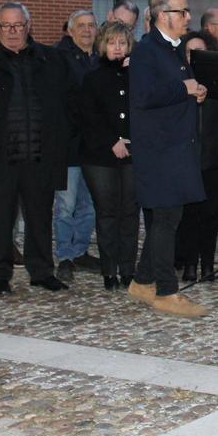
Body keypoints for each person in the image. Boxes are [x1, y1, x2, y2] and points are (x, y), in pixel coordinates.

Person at [0, 2, 73, 295]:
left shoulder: (52, 60)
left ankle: (42, 271)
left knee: (40, 218)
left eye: (18, 25)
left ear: (28, 26)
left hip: (40, 156)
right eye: (6, 26)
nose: (13, 32)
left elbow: (68, 103)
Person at [126, 0, 209, 317]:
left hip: (175, 147)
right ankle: (166, 291)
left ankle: (142, 282)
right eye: (183, 11)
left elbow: (173, 91)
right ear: (163, 15)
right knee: (164, 219)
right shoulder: (148, 50)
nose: (189, 17)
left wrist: (194, 91)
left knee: (167, 216)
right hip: (160, 151)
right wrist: (183, 88)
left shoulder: (172, 49)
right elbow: (144, 95)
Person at [78, 21, 138, 290]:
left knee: (130, 213)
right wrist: (111, 141)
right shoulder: (92, 77)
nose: (117, 48)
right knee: (107, 213)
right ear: (103, 45)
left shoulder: (137, 76)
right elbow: (88, 117)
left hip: (134, 153)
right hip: (100, 156)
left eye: (122, 43)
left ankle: (128, 269)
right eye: (112, 42)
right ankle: (109, 270)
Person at [175, 30, 218, 282]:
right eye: (189, 52)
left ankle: (208, 266)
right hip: (185, 160)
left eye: (199, 52)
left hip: (215, 159)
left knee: (211, 216)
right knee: (188, 217)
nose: (193, 57)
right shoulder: (175, 84)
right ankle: (189, 265)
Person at [53, 9, 100, 282]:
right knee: (65, 205)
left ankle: (81, 250)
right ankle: (65, 256)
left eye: (91, 25)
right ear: (70, 31)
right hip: (69, 145)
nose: (86, 30)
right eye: (81, 26)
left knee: (89, 205)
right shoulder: (58, 59)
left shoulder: (101, 58)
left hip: (94, 148)